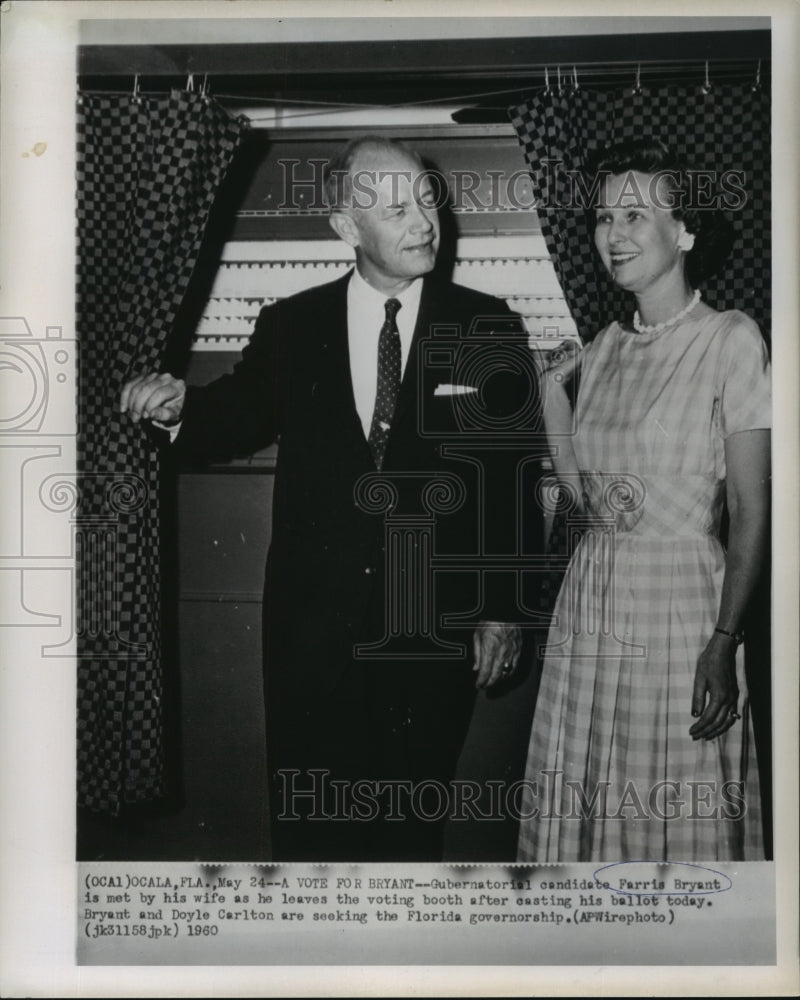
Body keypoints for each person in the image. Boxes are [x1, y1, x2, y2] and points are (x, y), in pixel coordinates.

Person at [121, 136, 540, 862]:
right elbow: (236, 412)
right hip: (312, 635)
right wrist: (177, 407)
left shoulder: (485, 323)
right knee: (312, 833)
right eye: (399, 208)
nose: (425, 222)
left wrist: (502, 607)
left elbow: (506, 476)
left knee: (410, 836)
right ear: (347, 228)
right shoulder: (292, 325)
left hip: (430, 631)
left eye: (428, 202)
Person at [517, 139, 770, 862]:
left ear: (684, 231)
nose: (612, 234)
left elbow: (753, 512)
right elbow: (589, 504)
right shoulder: (602, 348)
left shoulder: (731, 339)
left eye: (634, 215)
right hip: (591, 601)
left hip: (683, 610)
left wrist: (724, 641)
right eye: (602, 217)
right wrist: (548, 397)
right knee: (588, 806)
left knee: (674, 810)